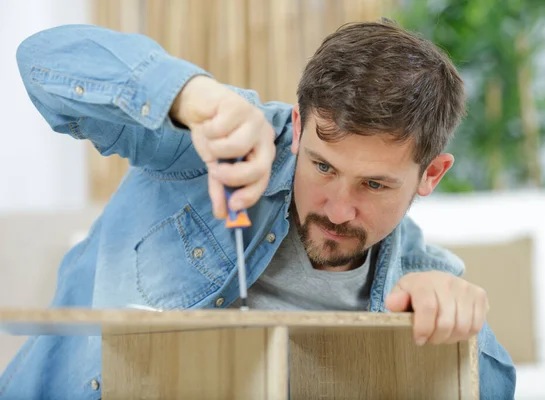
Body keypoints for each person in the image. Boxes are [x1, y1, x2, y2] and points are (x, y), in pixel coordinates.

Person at [0, 18, 516, 399]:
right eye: (323, 167)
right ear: (297, 127)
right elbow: (42, 58)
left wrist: (455, 329)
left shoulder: (421, 282)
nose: (338, 209)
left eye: (374, 185)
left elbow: (492, 386)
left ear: (432, 174)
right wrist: (190, 97)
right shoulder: (209, 144)